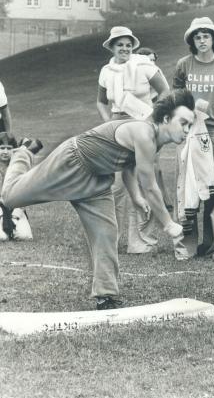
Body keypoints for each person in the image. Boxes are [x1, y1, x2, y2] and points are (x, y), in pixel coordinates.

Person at [1, 89, 195, 308]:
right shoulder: (144, 133)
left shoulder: (156, 140)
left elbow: (129, 166)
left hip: (98, 181)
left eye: (190, 125)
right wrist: (169, 225)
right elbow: (151, 186)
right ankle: (24, 152)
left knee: (106, 233)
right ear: (167, 119)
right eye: (184, 123)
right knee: (10, 198)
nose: (187, 130)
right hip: (73, 162)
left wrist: (136, 198)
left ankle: (107, 296)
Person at [97, 26, 169, 255]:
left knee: (142, 181)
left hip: (143, 126)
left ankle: (140, 240)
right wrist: (108, 121)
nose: (125, 49)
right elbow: (101, 101)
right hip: (117, 129)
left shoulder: (143, 64)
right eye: (120, 44)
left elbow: (165, 91)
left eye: (128, 44)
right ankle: (112, 238)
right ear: (112, 47)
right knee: (116, 186)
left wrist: (152, 118)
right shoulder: (106, 70)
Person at [173, 17, 214, 261]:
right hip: (189, 131)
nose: (202, 40)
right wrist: (179, 127)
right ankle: (187, 245)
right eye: (197, 37)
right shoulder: (183, 65)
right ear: (192, 40)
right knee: (188, 187)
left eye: (206, 36)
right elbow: (175, 99)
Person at [136, 46, 173, 211]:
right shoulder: (137, 75)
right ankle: (151, 198)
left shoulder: (156, 74)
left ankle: (163, 199)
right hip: (136, 121)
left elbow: (165, 94)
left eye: (153, 60)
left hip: (152, 120)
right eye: (148, 60)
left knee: (155, 162)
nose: (152, 63)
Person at [0, 134, 33, 241]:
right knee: (2, 237)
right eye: (2, 148)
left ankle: (14, 224)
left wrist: (17, 212)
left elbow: (25, 193)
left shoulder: (19, 166)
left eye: (9, 148)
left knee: (24, 236)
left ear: (14, 150)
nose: (5, 152)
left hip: (15, 206)